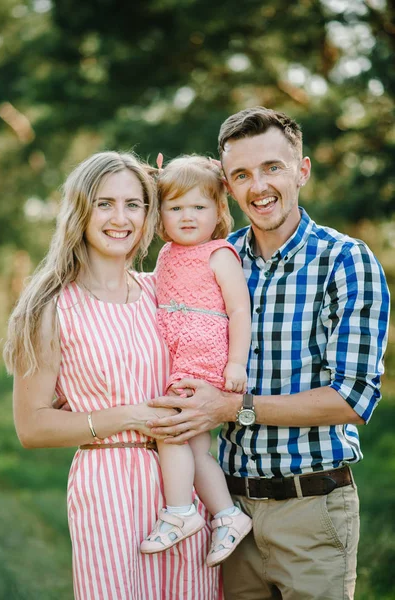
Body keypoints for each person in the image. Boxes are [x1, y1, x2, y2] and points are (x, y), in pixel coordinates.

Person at [146, 107, 391, 600]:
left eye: (272, 168)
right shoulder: (216, 258)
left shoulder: (345, 260)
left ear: (301, 170)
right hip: (229, 513)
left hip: (311, 508)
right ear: (227, 188)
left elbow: (354, 398)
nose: (258, 186)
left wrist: (234, 406)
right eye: (241, 175)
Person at [3, 151, 222, 600]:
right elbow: (31, 426)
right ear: (80, 210)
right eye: (104, 203)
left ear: (148, 215)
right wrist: (130, 416)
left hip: (183, 490)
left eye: (133, 204)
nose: (119, 218)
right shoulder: (49, 308)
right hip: (108, 487)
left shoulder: (159, 292)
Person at [140, 155, 252, 567]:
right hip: (176, 358)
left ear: (219, 211)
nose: (187, 216)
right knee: (195, 445)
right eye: (175, 207)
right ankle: (227, 515)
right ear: (161, 215)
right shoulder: (167, 253)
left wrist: (235, 364)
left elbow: (240, 310)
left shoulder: (219, 253)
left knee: (171, 429)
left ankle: (180, 511)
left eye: (199, 207)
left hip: (204, 357)